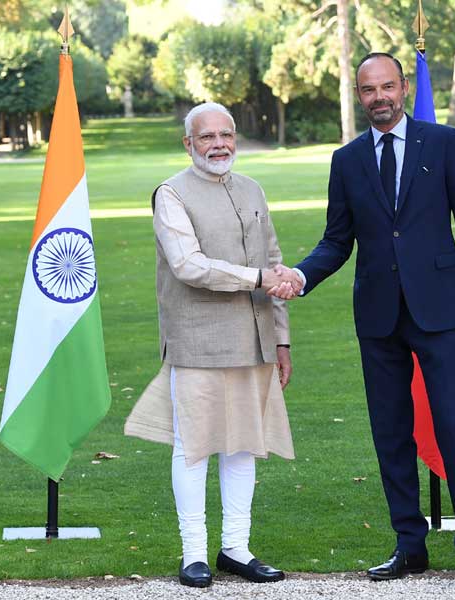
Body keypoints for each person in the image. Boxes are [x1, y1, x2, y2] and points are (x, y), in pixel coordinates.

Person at [270, 52, 455, 588]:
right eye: (369, 90)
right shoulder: (346, 160)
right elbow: (336, 240)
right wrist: (300, 275)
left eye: (387, 87)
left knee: (453, 426)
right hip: (378, 316)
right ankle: (409, 546)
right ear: (359, 95)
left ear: (403, 87)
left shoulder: (442, 143)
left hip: (439, 311)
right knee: (390, 433)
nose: (379, 98)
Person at [124, 102, 301, 588]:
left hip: (255, 340)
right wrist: (258, 278)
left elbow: (274, 262)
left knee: (244, 445)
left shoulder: (253, 189)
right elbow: (189, 265)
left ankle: (236, 549)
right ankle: (194, 554)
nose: (218, 144)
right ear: (189, 144)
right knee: (194, 447)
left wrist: (282, 340)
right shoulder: (171, 194)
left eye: (226, 134)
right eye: (207, 137)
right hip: (197, 341)